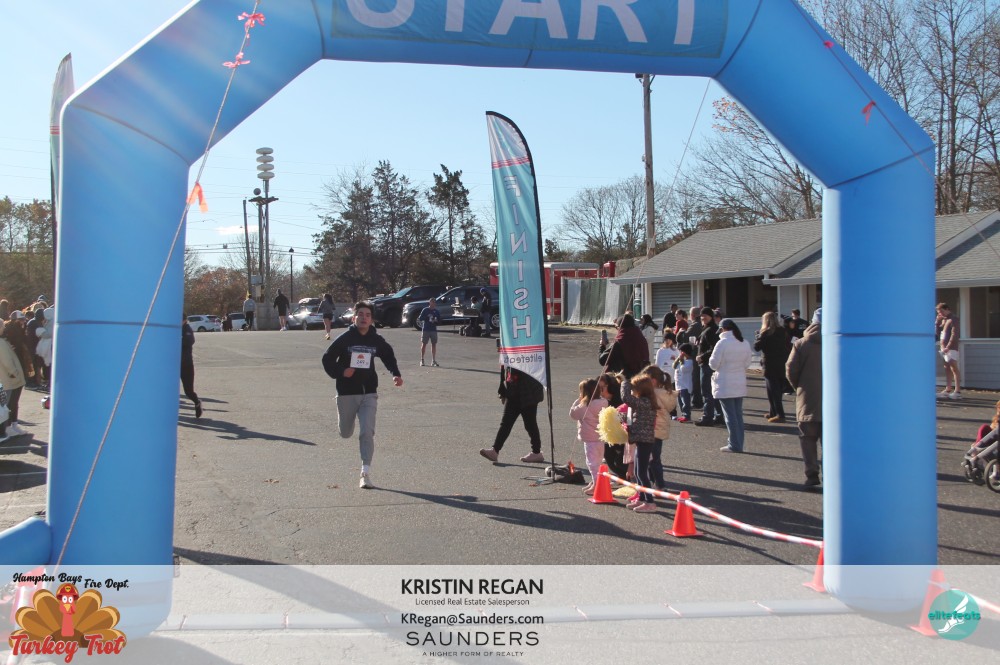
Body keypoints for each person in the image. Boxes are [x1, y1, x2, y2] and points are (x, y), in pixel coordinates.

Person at [322, 301, 403, 489]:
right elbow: (327, 359)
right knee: (345, 432)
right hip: (346, 393)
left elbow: (388, 355)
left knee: (367, 431)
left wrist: (396, 374)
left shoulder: (376, 340)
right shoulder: (345, 339)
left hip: (369, 393)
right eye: (360, 314)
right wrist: (342, 371)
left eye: (367, 315)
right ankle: (346, 423)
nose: (364, 318)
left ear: (372, 320)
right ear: (354, 318)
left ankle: (365, 473)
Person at [480, 364, 545, 464]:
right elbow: (505, 364)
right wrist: (502, 387)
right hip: (514, 389)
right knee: (506, 423)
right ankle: (495, 450)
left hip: (529, 390)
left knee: (530, 424)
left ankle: (536, 452)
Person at [787, 308, 822, 486]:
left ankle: (811, 474)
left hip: (807, 397)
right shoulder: (838, 342)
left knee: (807, 438)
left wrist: (800, 387)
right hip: (834, 401)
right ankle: (832, 475)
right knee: (831, 440)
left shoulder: (801, 344)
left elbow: (791, 370)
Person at [709, 318, 753, 452]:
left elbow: (713, 364)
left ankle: (734, 444)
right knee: (738, 415)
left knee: (730, 416)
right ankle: (738, 443)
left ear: (723, 329)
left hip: (725, 382)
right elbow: (747, 363)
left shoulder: (722, 343)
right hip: (739, 381)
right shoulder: (744, 342)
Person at [619, 373, 658, 512]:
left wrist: (625, 382)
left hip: (644, 441)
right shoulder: (643, 402)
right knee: (637, 471)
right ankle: (642, 498)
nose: (632, 390)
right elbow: (633, 418)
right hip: (640, 440)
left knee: (641, 473)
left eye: (634, 388)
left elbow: (626, 398)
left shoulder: (645, 402)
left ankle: (650, 502)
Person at [639, 365, 676, 491]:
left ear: (653, 381)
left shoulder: (652, 394)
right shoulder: (665, 393)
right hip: (659, 430)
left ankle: (659, 484)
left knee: (652, 459)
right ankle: (656, 483)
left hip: (652, 429)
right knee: (653, 459)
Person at [569, 378, 608, 496]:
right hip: (600, 437)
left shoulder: (584, 406)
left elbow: (573, 414)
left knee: (592, 463)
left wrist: (578, 400)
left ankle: (596, 485)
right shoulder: (603, 402)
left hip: (590, 439)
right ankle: (595, 482)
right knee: (598, 462)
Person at [754, 311, 790, 423]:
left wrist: (758, 337)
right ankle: (773, 412)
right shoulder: (783, 331)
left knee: (772, 390)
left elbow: (757, 347)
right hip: (782, 362)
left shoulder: (765, 333)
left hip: (769, 364)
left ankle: (780, 414)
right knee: (777, 389)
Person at [694, 307, 722, 426]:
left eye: (705, 315)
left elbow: (714, 348)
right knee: (712, 392)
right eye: (701, 316)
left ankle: (708, 417)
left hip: (707, 365)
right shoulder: (706, 329)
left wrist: (702, 356)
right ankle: (718, 416)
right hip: (706, 364)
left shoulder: (711, 330)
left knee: (707, 392)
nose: (703, 318)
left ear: (711, 317)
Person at [598, 314, 649, 378]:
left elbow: (603, 360)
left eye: (616, 327)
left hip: (623, 379)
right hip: (641, 378)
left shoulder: (620, 341)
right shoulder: (641, 339)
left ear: (620, 327)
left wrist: (602, 345)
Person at [0, 320, 27, 437]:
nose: (4, 328)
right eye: (2, 326)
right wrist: (15, 373)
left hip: (7, 378)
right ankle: (7, 428)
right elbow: (7, 361)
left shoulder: (3, 341)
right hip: (8, 379)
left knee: (10, 404)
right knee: (8, 405)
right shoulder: (1, 342)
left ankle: (10, 426)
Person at [180, 314, 203, 419]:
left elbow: (190, 341)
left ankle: (197, 402)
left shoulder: (187, 329)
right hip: (173, 366)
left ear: (185, 320)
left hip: (186, 365)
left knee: (188, 391)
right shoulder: (173, 329)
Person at [937, 303, 961, 399]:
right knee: (946, 367)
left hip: (950, 347)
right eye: (939, 312)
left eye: (942, 311)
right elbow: (938, 333)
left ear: (947, 309)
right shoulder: (944, 320)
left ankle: (957, 391)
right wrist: (937, 322)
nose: (941, 314)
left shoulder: (953, 319)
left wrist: (949, 346)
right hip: (943, 347)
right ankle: (948, 388)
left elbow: (954, 334)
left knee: (953, 367)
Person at [686, 307, 704, 409]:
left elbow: (686, 336)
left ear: (692, 315)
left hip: (695, 354)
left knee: (695, 378)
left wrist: (680, 332)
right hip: (702, 354)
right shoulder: (702, 324)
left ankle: (697, 401)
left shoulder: (695, 325)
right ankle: (699, 400)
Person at [417, 298, 442, 367]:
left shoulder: (436, 311)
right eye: (432, 302)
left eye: (434, 302)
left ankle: (433, 360)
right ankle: (422, 360)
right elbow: (420, 318)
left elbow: (439, 320)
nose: (433, 303)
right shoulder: (425, 310)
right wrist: (427, 317)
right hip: (426, 329)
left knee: (434, 344)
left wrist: (436, 320)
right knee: (424, 344)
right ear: (429, 303)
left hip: (433, 329)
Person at [673, 343, 695, 422]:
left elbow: (683, 369)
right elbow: (674, 366)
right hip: (679, 385)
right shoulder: (681, 360)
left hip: (685, 386)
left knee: (685, 402)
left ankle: (687, 415)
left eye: (681, 351)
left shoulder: (689, 362)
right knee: (680, 402)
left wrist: (681, 360)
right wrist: (678, 359)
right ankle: (683, 414)